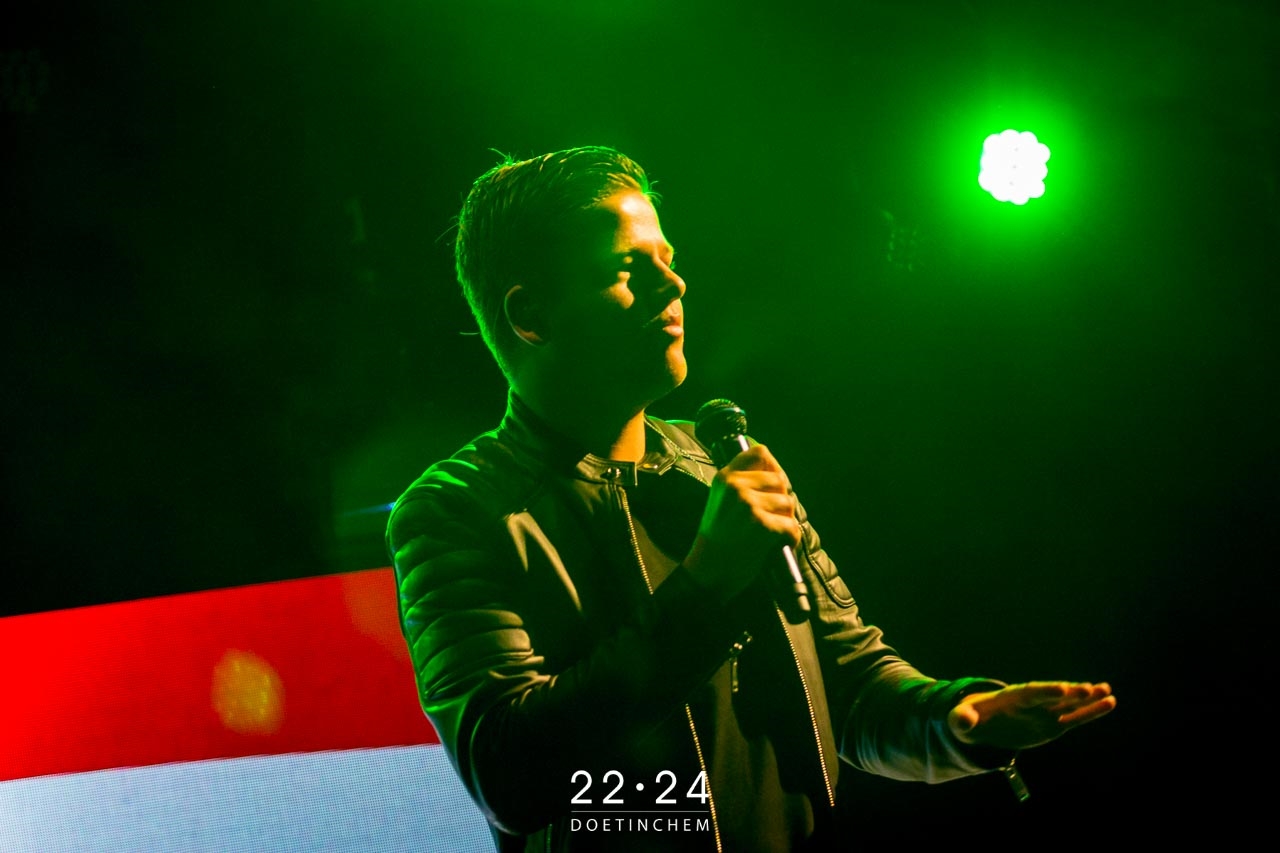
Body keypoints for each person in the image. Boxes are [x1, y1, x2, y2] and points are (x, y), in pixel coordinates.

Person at [386, 145, 1116, 852]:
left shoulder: (722, 466)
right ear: (531, 316)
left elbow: (852, 687)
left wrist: (956, 718)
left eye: (668, 260)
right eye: (627, 268)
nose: (674, 286)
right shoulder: (456, 510)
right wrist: (707, 584)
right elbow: (508, 772)